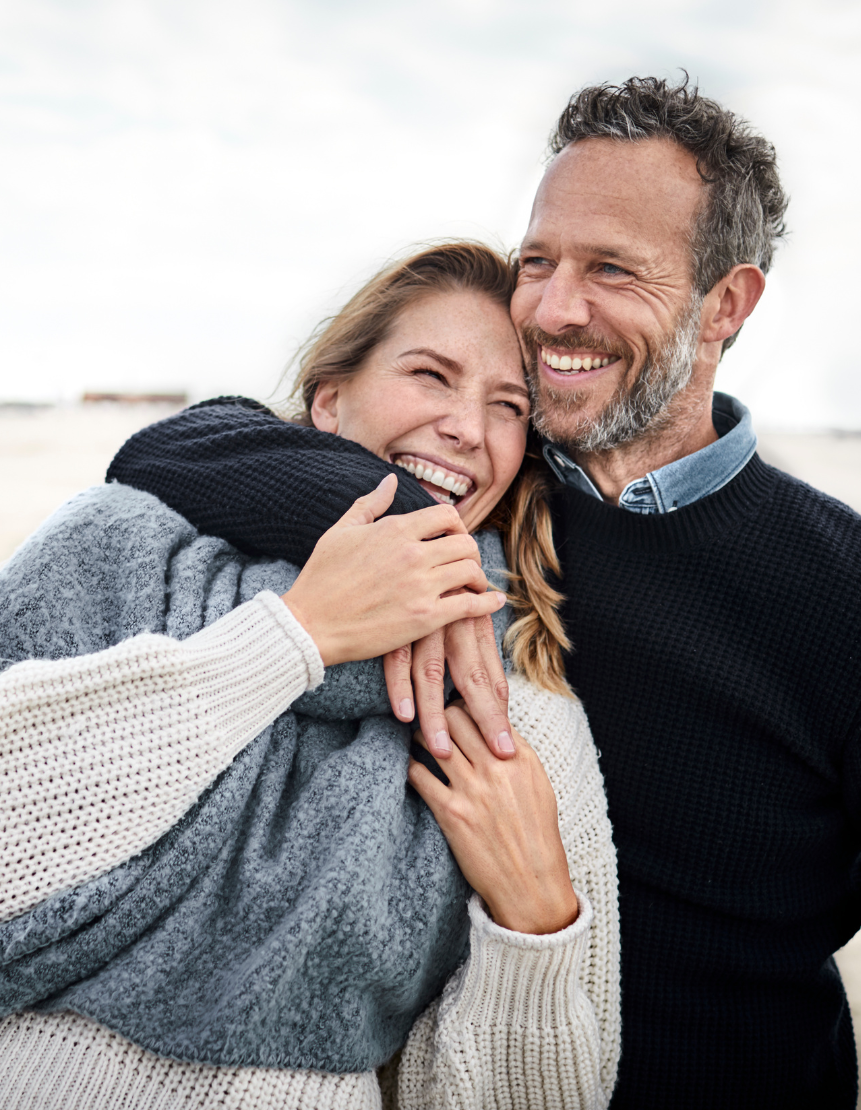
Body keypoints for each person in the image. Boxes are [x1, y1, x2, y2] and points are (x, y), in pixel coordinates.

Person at [114, 77, 861, 1109]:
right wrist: (403, 522)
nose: (555, 310)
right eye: (539, 262)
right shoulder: (487, 498)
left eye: (613, 269)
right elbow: (172, 445)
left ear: (724, 305)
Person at [0, 244, 619, 1109]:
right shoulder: (115, 545)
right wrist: (295, 637)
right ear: (330, 399)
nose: (467, 430)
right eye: (431, 375)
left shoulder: (509, 695)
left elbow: (548, 1096)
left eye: (508, 406)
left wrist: (537, 924)